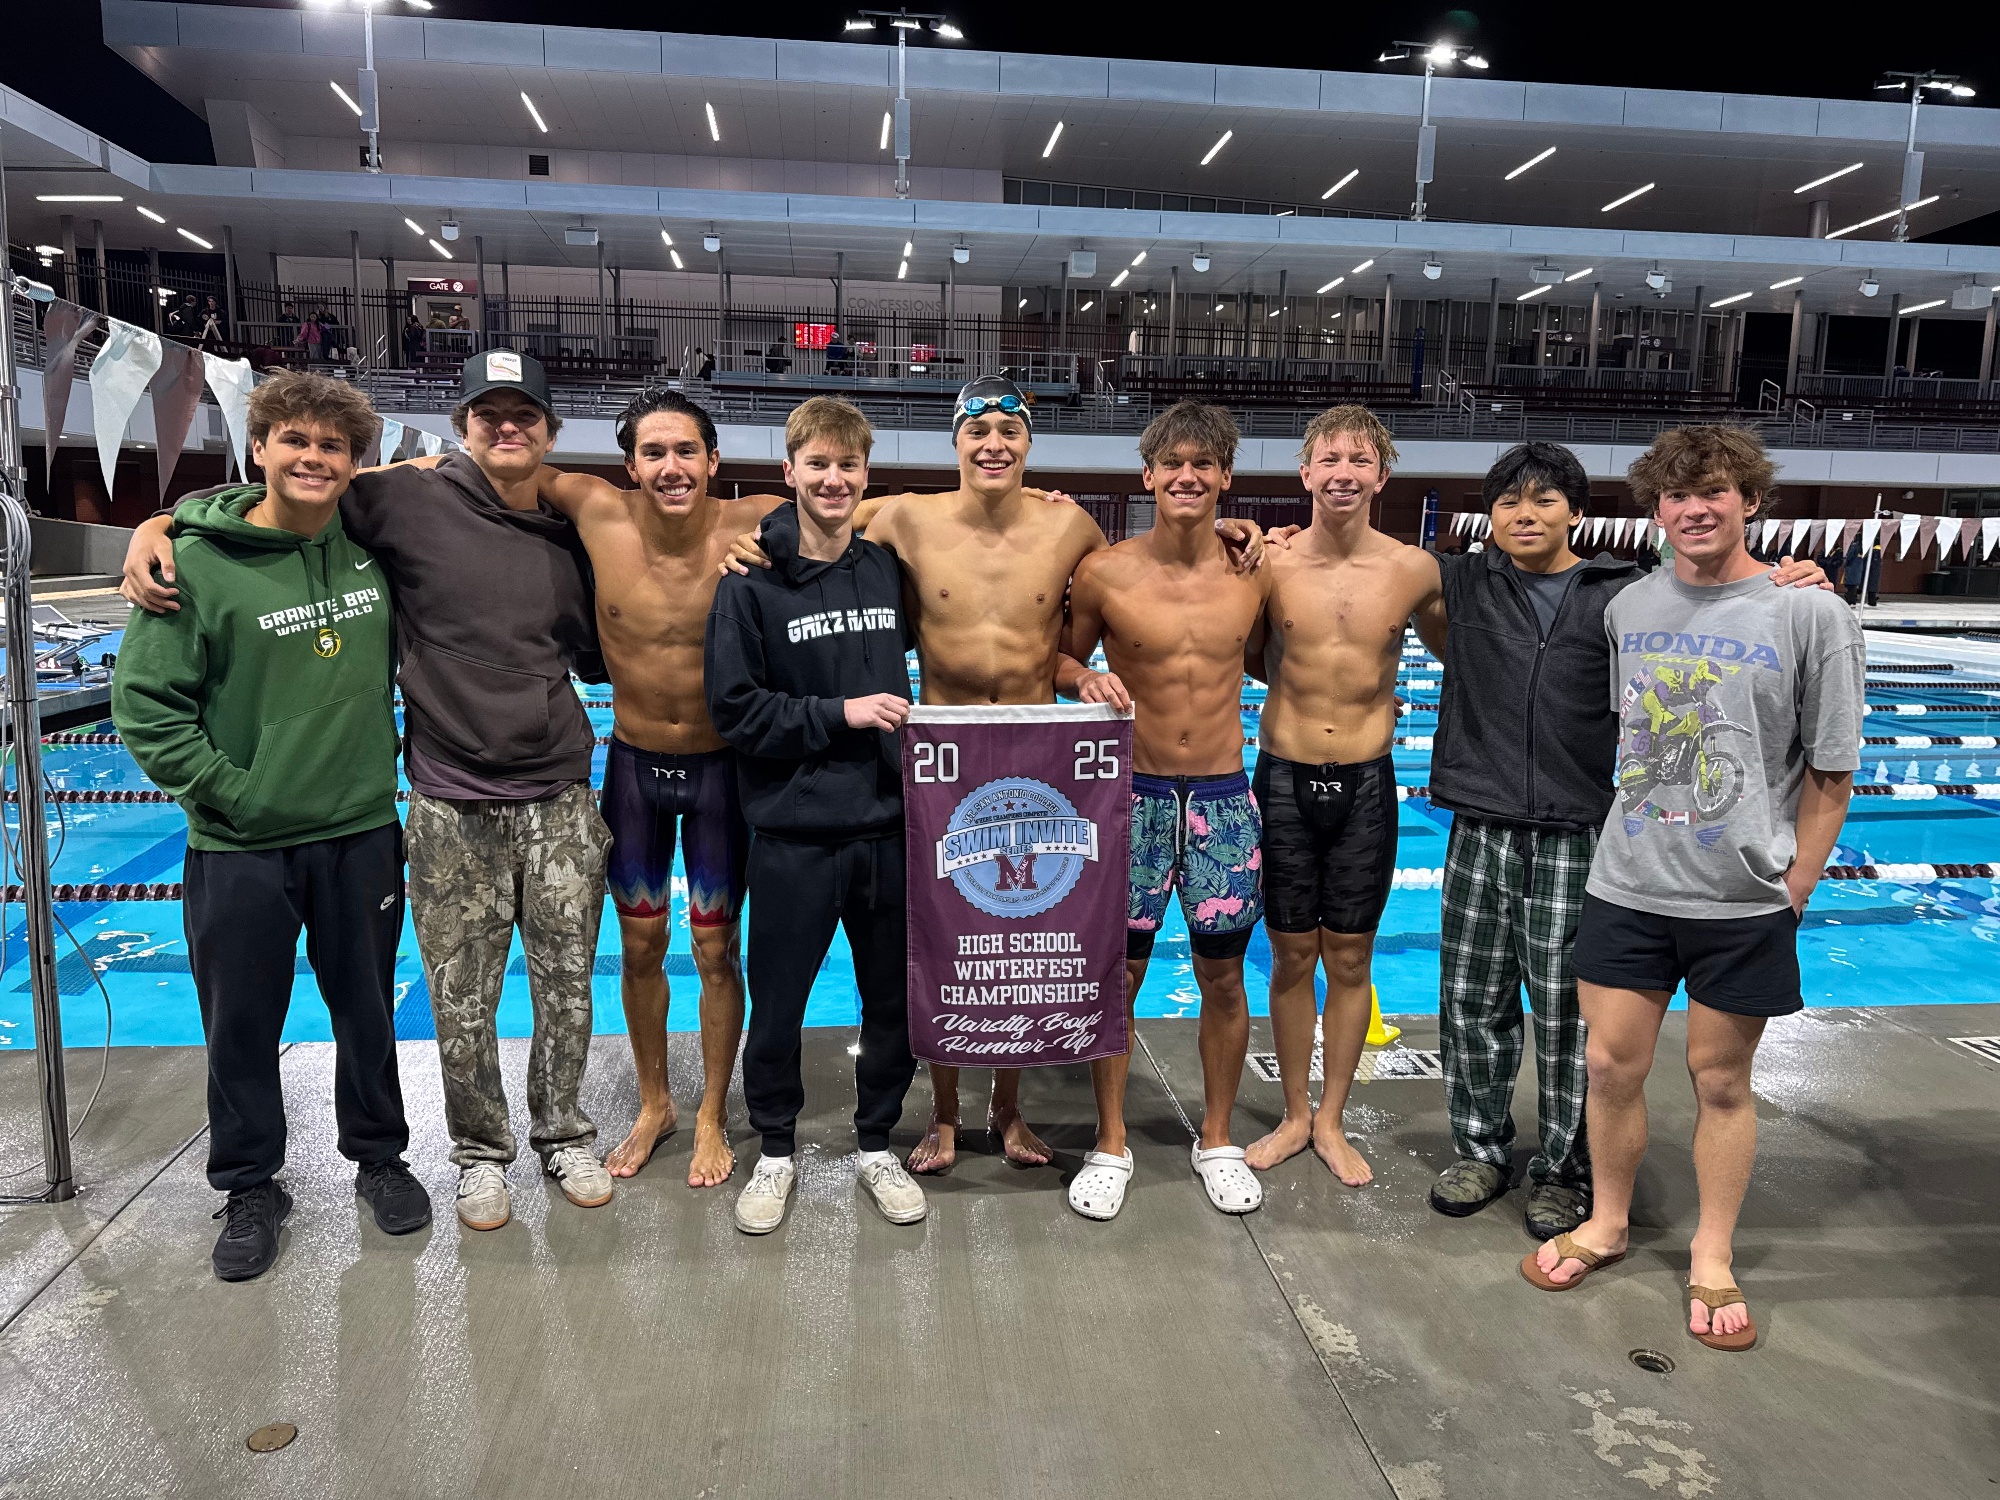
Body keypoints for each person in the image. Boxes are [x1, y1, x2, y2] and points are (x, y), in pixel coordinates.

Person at [121, 349, 617, 1232]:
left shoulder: (551, 531)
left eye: (525, 415)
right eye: (489, 413)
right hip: (403, 807)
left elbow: (594, 645)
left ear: (550, 430)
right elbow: (269, 506)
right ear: (462, 426)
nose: (507, 427)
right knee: (436, 1001)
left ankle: (509, 1141)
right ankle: (446, 1159)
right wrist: (159, 522)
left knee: (535, 991)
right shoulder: (391, 503)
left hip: (487, 805)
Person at [1523, 426, 1861, 1354]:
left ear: (1751, 499)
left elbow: (1832, 770)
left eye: (1714, 491)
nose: (1695, 509)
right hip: (1627, 883)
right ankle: (1608, 1222)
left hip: (1742, 899)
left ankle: (1712, 1252)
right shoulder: (1630, 605)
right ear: (1657, 509)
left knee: (1720, 1081)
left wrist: (1795, 887)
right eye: (1676, 495)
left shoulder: (1811, 615)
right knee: (1608, 1068)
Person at [111, 371, 428, 1281]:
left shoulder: (370, 545)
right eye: (294, 440)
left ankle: (379, 1158)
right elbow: (145, 707)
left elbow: (439, 472)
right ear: (258, 448)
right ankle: (251, 1184)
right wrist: (234, 794)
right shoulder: (195, 564)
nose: (313, 458)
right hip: (239, 843)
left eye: (332, 446)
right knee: (241, 1025)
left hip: (360, 830)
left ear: (356, 462)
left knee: (367, 1010)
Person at [529, 392, 786, 1186]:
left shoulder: (759, 519)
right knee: (638, 947)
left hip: (722, 770)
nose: (671, 467)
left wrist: (1035, 496)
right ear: (631, 466)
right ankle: (655, 1104)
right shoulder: (595, 508)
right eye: (654, 453)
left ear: (713, 460)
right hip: (635, 769)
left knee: (716, 949)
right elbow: (476, 466)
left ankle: (711, 1113)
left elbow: (874, 512)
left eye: (686, 451)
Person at [705, 397, 926, 1233]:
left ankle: (876, 1144)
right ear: (789, 471)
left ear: (866, 476)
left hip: (887, 827)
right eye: (819, 464)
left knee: (890, 1004)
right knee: (779, 1006)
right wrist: (842, 713)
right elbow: (735, 710)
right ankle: (775, 1151)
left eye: (848, 466)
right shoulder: (747, 583)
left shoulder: (884, 570)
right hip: (794, 834)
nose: (834, 479)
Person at [1062, 401, 1268, 1220]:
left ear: (1225, 476)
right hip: (1131, 797)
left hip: (1223, 796)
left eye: (1203, 464)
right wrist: (1083, 677)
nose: (1188, 476)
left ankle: (1216, 1137)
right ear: (1147, 475)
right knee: (1118, 974)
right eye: (1172, 464)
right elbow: (1058, 656)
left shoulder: (1257, 568)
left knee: (1224, 975)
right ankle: (1110, 1140)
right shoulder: (1106, 572)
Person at [1244, 406, 1446, 1187]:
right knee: (1292, 954)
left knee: (1352, 956)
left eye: (1360, 460)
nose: (1343, 473)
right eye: (1329, 459)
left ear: (1381, 475)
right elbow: (1243, 650)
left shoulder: (1413, 569)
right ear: (1305, 472)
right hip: (1283, 776)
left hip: (1367, 781)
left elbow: (1466, 651)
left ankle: (1331, 1119)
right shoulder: (1268, 563)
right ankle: (1295, 1114)